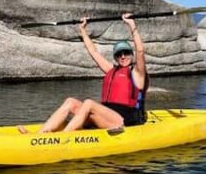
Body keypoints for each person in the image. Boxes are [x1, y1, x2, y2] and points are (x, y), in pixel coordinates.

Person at [20, 13, 148, 134]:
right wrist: (83, 30)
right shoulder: (111, 70)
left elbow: (140, 51)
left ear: (132, 55)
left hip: (124, 121)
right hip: (105, 117)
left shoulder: (137, 73)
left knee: (89, 103)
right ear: (115, 57)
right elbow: (93, 52)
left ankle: (63, 137)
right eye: (119, 54)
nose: (123, 56)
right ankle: (39, 134)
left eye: (126, 53)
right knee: (70, 102)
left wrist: (132, 26)